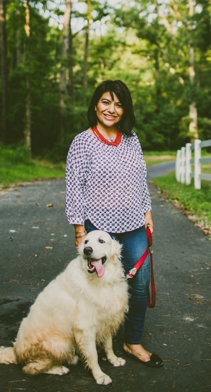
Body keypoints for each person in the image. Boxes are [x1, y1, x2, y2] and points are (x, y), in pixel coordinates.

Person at [65, 79, 163, 368]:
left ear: (125, 109)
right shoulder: (82, 142)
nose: (111, 109)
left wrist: (147, 211)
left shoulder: (132, 140)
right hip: (98, 227)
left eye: (118, 104)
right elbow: (74, 187)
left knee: (140, 283)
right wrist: (79, 229)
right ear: (96, 104)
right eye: (106, 102)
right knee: (98, 286)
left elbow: (140, 178)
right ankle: (93, 337)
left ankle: (132, 342)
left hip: (134, 224)